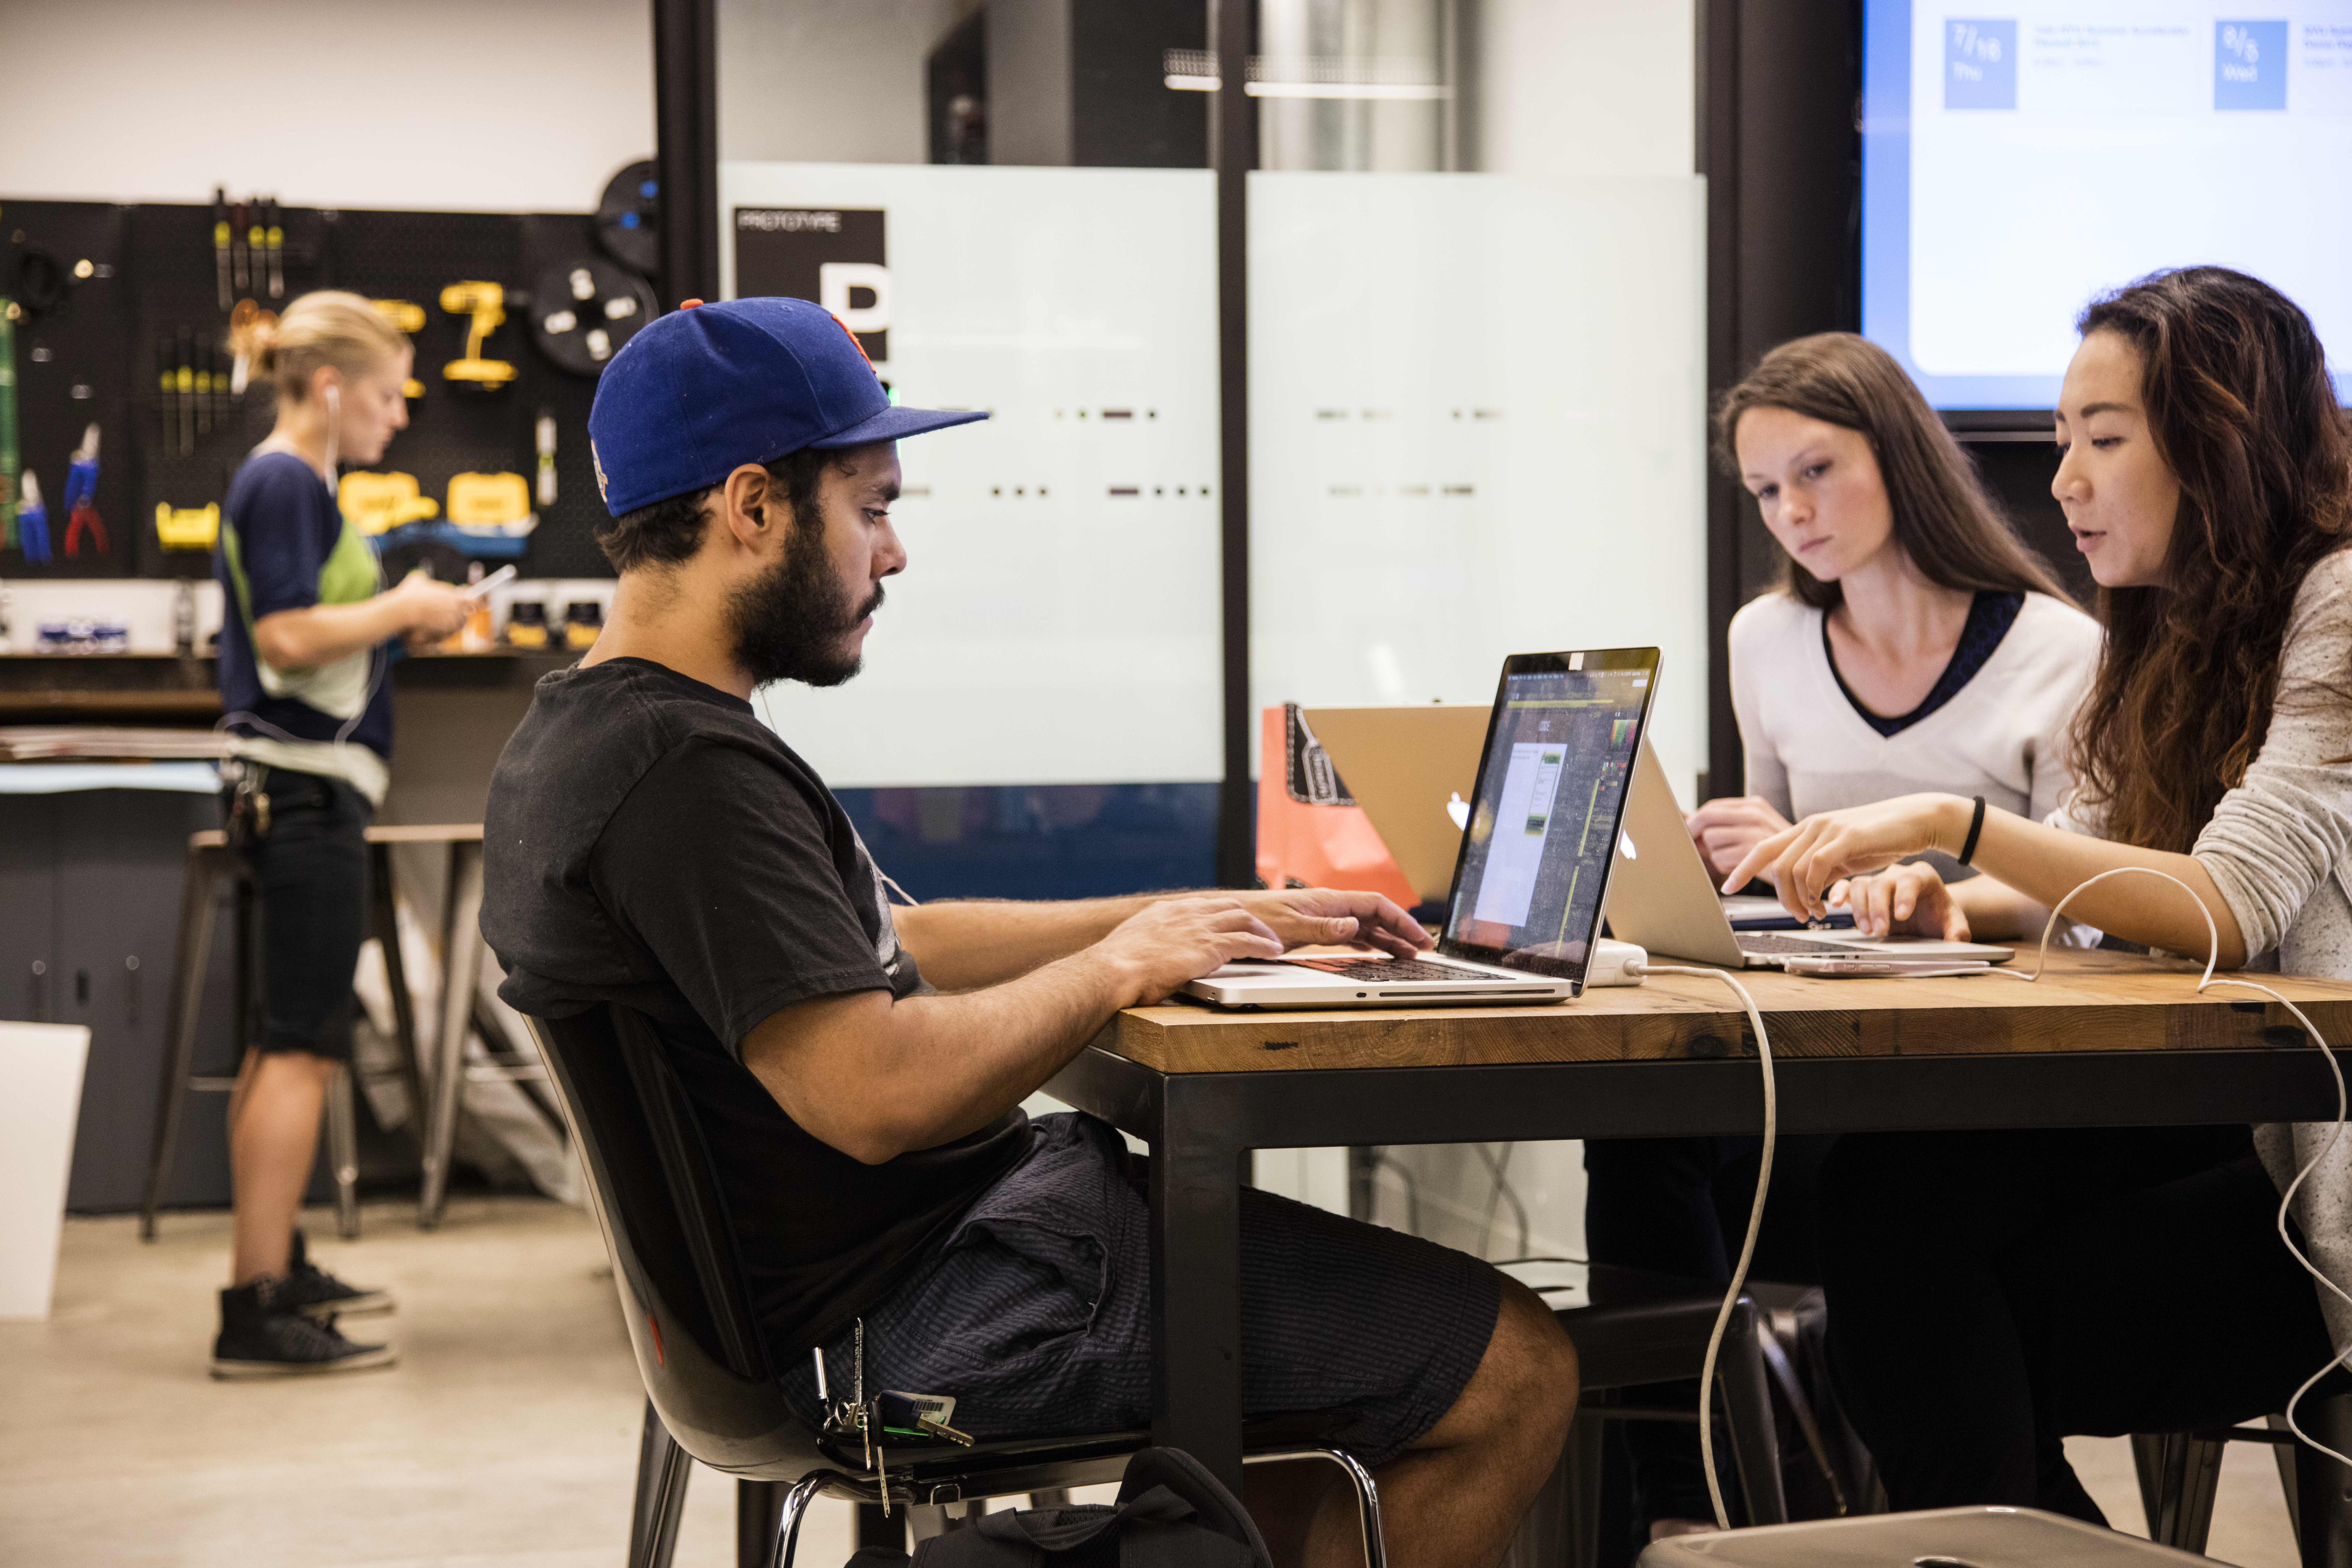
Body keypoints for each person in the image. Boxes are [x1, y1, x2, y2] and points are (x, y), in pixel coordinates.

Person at [479, 297, 1581, 1568]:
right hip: (920, 1319)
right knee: (1518, 1367)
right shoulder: (685, 774)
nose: (894, 553)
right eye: (874, 505)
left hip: (870, 1297)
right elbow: (871, 1088)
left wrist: (1175, 916)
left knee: (1322, 1374)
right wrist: (1120, 966)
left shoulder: (590, 735)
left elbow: (902, 941)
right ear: (752, 507)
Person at [1722, 266, 2352, 1518]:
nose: (2063, 479)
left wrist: (1952, 826)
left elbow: (2227, 902)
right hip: (2242, 1111)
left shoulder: (2337, 597)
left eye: (2102, 440)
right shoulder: (2165, 622)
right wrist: (1957, 895)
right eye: (2062, 441)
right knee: (1899, 1241)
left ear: (2218, 437)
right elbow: (2104, 846)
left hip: (2312, 1156)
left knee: (1915, 1301)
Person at [1584, 332, 2102, 1543]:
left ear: (1903, 455)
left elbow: (2089, 884)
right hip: (1815, 1048)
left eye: (1816, 470)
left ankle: (1881, 1496)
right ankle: (1683, 1503)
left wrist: (1938, 887)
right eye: (1768, 490)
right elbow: (1776, 876)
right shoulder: (1765, 638)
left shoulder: (2056, 648)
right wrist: (1758, 846)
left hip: (1977, 1081)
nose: (1793, 511)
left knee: (1868, 1208)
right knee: (1640, 1119)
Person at [210, 292, 471, 1377]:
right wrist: (407, 607)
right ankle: (255, 1303)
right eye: (385, 391)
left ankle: (274, 1261)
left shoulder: (303, 484)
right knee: (304, 1045)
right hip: (302, 789)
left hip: (311, 785)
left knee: (288, 1040)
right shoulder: (281, 478)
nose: (399, 414)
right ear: (329, 386)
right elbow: (284, 634)